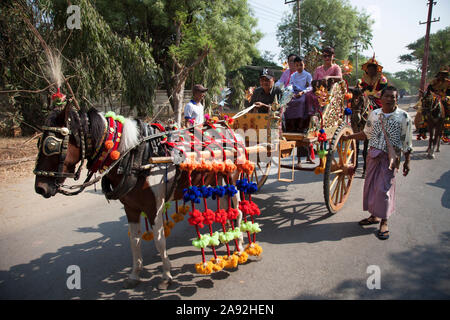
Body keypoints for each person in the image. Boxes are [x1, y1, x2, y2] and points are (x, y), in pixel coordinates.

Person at [343, 86, 413, 240]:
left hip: (390, 159)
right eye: (387, 96)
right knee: (372, 186)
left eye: (393, 97)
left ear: (397, 98)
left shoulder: (404, 117)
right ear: (381, 98)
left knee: (384, 190)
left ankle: (384, 221)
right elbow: (366, 134)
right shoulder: (374, 114)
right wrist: (349, 137)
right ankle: (374, 216)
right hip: (373, 155)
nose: (390, 99)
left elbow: (407, 142)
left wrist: (407, 162)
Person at [284, 56, 313, 133]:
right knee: (288, 101)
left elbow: (310, 86)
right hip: (294, 92)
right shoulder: (293, 75)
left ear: (304, 65)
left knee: (301, 101)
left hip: (303, 92)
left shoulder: (308, 75)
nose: (299, 67)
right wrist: (291, 93)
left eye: (301, 65)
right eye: (297, 65)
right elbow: (290, 85)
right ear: (294, 66)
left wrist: (302, 92)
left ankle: (300, 124)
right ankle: (290, 124)